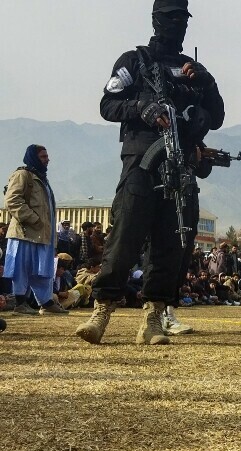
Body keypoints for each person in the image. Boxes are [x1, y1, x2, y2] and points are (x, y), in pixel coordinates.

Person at [75, 0, 224, 345]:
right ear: (157, 20)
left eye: (183, 19)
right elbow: (107, 104)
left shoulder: (194, 69)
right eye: (172, 18)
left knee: (173, 246)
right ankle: (101, 312)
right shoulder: (134, 61)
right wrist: (142, 107)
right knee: (125, 236)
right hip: (142, 164)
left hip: (181, 167)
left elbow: (215, 118)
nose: (179, 25)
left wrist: (209, 83)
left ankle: (154, 317)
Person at [3, 145, 70, 317]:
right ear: (33, 157)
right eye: (43, 156)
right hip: (24, 234)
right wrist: (33, 218)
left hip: (41, 235)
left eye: (47, 156)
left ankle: (46, 303)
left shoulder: (41, 178)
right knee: (22, 269)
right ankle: (20, 303)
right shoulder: (22, 175)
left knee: (42, 270)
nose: (47, 159)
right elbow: (12, 200)